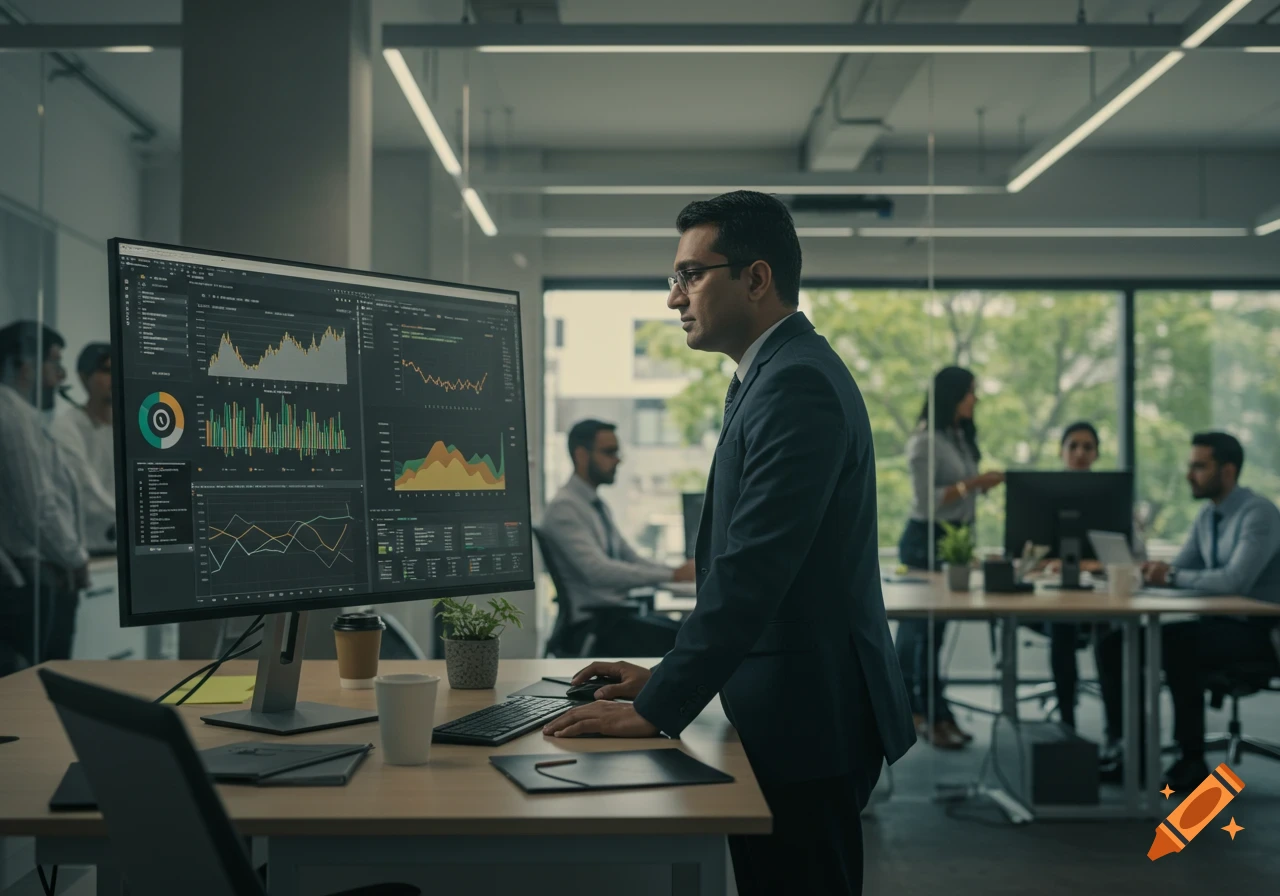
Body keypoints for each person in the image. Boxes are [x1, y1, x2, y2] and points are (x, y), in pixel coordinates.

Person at [542, 191, 915, 896]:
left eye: (690, 275)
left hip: (811, 717)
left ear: (755, 278)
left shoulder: (796, 384)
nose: (673, 297)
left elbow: (752, 572)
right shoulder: (770, 377)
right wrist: (665, 677)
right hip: (789, 703)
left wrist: (658, 707)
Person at [1097, 431, 1280, 791]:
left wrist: (1173, 575)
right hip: (1220, 625)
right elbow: (1179, 571)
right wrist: (1147, 576)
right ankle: (1128, 751)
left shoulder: (1258, 513)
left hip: (1261, 631)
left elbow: (1235, 581)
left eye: (1199, 466)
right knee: (1114, 644)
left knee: (1180, 647)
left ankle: (1191, 759)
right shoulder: (1206, 517)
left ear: (1228, 471)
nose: (1189, 474)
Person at [894, 366, 1004, 748]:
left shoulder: (956, 437)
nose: (976, 399)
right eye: (970, 392)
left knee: (933, 635)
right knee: (922, 634)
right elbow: (928, 502)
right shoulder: (924, 441)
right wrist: (975, 484)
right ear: (953, 395)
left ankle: (927, 711)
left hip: (953, 540)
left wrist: (975, 487)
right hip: (926, 541)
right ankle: (927, 714)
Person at [540, 419, 695, 625]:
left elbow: (630, 558)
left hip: (616, 615)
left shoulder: (596, 505)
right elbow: (598, 572)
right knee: (686, 640)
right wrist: (671, 575)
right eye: (609, 452)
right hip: (594, 625)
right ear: (581, 456)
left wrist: (675, 573)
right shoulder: (565, 508)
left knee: (689, 634)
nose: (617, 461)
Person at [0, 322, 89, 669]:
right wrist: (75, 558)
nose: (60, 377)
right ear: (23, 366)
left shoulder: (22, 416)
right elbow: (37, 507)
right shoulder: (12, 418)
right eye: (54, 364)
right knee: (42, 686)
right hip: (35, 577)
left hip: (36, 573)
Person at [50, 342, 116, 554]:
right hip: (91, 548)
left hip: (130, 543)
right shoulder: (66, 427)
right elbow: (86, 491)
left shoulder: (134, 427)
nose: (115, 378)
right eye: (106, 370)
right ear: (83, 377)